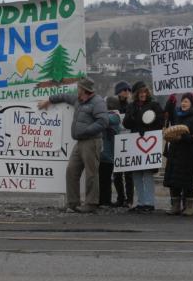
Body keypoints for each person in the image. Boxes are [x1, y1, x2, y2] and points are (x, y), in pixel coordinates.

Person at [38, 77, 108, 213]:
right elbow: (64, 96)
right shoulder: (78, 100)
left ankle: (91, 203)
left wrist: (86, 131)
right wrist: (49, 100)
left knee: (91, 173)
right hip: (80, 141)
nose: (77, 89)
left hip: (92, 141)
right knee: (71, 170)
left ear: (84, 89)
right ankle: (73, 202)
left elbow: (103, 121)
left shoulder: (97, 102)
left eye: (79, 87)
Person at [123, 81, 165, 213]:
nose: (143, 94)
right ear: (136, 94)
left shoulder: (154, 105)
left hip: (149, 142)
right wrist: (131, 117)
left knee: (147, 173)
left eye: (145, 92)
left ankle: (149, 202)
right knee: (136, 173)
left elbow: (160, 121)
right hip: (135, 143)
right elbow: (126, 124)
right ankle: (141, 202)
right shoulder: (131, 106)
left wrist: (147, 128)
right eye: (140, 92)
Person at [164, 92, 193, 216]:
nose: (184, 103)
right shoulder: (177, 115)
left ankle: (189, 207)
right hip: (175, 153)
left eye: (186, 101)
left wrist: (183, 137)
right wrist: (171, 99)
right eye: (183, 101)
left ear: (192, 103)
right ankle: (175, 206)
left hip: (189, 155)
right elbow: (167, 112)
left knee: (188, 182)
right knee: (174, 181)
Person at [113, 80, 134, 207]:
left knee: (128, 174)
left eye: (128, 90)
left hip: (128, 140)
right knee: (117, 173)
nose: (127, 93)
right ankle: (121, 197)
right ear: (119, 92)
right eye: (124, 90)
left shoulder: (130, 106)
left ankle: (129, 199)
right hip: (116, 140)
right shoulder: (113, 105)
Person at [98, 96, 121, 207]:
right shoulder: (111, 116)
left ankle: (105, 201)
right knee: (102, 179)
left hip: (108, 155)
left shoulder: (115, 117)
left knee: (105, 180)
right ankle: (102, 200)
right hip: (104, 154)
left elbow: (104, 119)